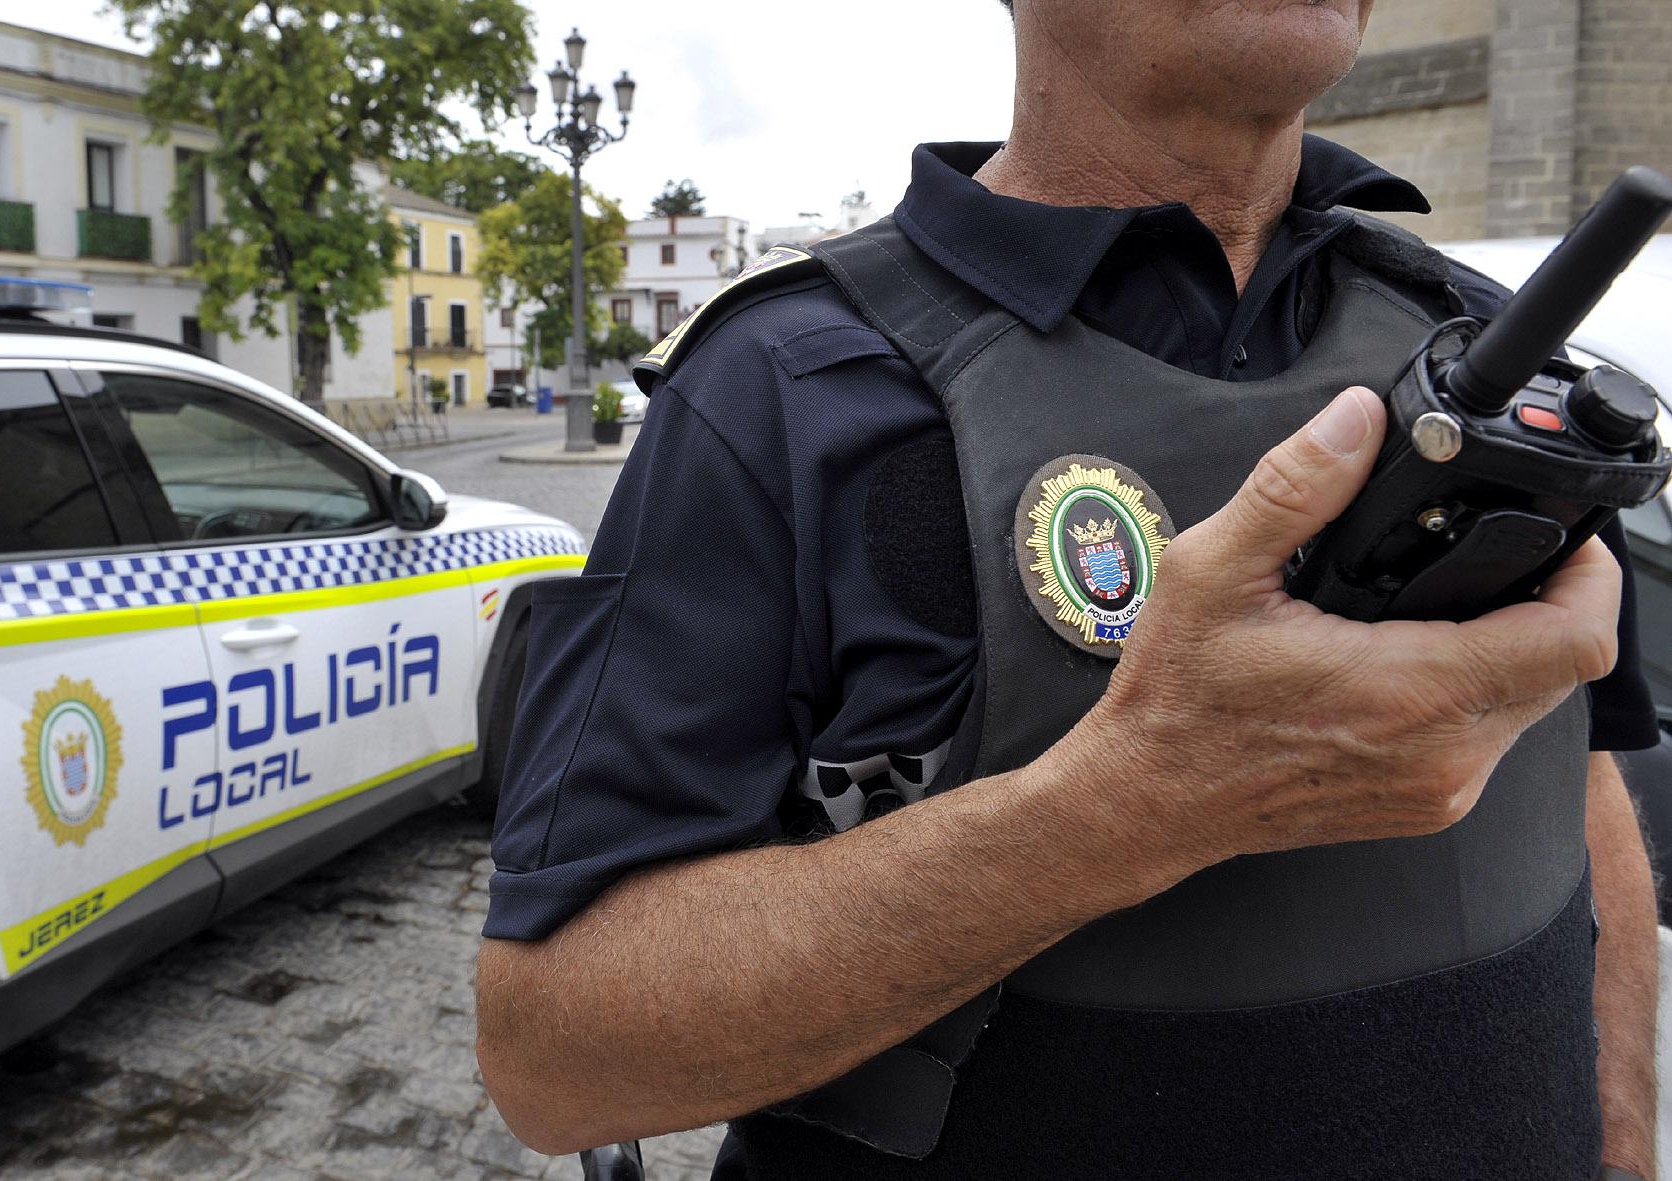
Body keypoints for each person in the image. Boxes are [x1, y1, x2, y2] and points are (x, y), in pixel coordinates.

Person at [476, 2, 1661, 1177]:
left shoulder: (1484, 350)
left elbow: (1575, 762)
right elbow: (556, 1053)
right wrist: (1136, 802)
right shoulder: (780, 384)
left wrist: (1616, 1131)